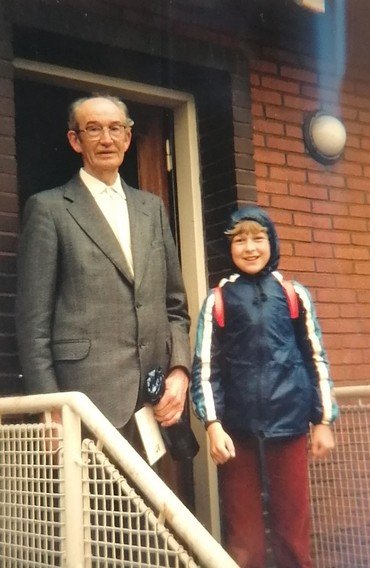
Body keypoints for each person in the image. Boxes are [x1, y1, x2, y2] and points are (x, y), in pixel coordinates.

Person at [16, 94, 191, 437]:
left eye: (115, 129)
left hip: (153, 405)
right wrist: (50, 404)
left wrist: (180, 371)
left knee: (151, 494)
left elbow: (176, 307)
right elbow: (32, 323)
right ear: (75, 140)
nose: (106, 139)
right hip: (84, 405)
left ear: (128, 137)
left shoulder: (152, 209)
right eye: (93, 129)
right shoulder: (49, 209)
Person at [190, 205, 338, 568]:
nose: (250, 247)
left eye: (259, 238)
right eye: (240, 240)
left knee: (293, 533)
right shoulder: (217, 300)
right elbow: (205, 369)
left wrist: (323, 421)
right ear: (228, 249)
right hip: (237, 434)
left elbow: (316, 357)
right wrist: (213, 425)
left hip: (289, 429)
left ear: (272, 243)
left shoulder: (293, 295)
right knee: (245, 541)